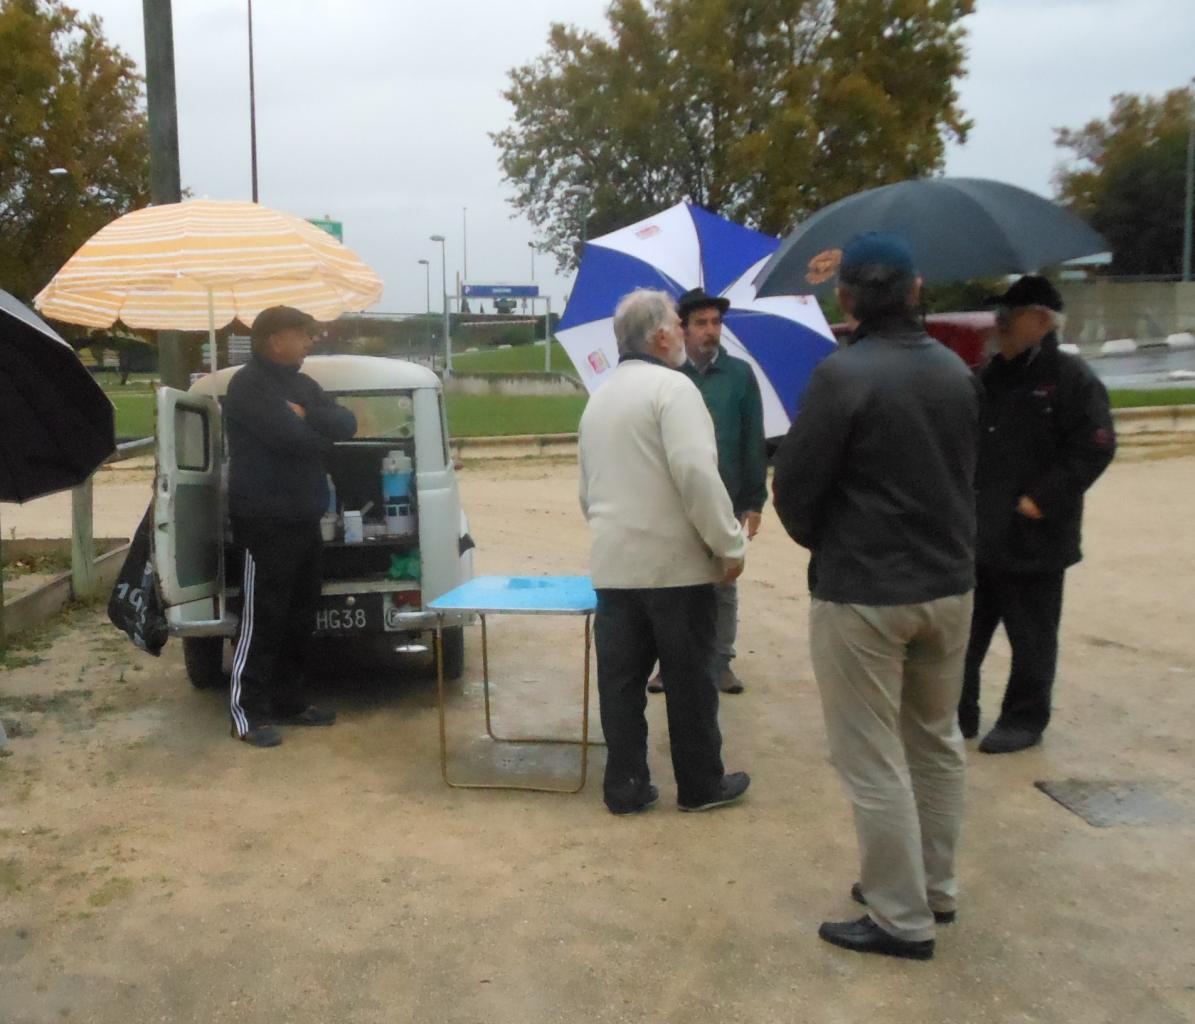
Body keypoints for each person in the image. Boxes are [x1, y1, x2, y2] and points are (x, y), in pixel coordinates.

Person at [772, 232, 978, 961]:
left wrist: (825, 542)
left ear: (847, 295)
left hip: (865, 589)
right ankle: (934, 886)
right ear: (916, 289)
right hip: (947, 585)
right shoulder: (956, 371)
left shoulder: (842, 376)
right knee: (934, 741)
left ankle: (899, 914)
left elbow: (795, 489)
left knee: (871, 759)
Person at [578, 288, 751, 815]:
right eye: (678, 323)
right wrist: (729, 543)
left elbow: (588, 493)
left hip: (614, 565)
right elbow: (697, 473)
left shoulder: (598, 399)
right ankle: (700, 785)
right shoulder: (674, 391)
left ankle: (626, 786)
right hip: (674, 568)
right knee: (690, 683)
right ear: (659, 336)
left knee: (622, 685)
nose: (682, 331)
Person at [959, 276, 1116, 754]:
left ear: (1040, 321)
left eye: (1009, 316)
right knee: (965, 632)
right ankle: (957, 710)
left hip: (1035, 536)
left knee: (1031, 636)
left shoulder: (1070, 380)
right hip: (980, 532)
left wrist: (1040, 499)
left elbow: (1094, 448)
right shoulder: (987, 376)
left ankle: (1024, 718)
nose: (998, 326)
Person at [224, 306, 357, 748]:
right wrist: (311, 428)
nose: (310, 341)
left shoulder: (303, 385)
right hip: (264, 522)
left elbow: (347, 423)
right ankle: (248, 714)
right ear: (275, 339)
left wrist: (307, 414)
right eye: (303, 334)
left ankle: (290, 701)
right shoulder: (247, 386)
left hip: (304, 519)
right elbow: (292, 440)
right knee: (262, 617)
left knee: (300, 616)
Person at [645, 287, 766, 696]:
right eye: (700, 323)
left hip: (725, 496)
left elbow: (753, 440)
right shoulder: (667, 377)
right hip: (671, 500)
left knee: (724, 582)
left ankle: (721, 661)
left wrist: (754, 500)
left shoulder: (740, 376)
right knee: (672, 585)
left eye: (716, 322)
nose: (710, 331)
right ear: (683, 328)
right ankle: (668, 664)